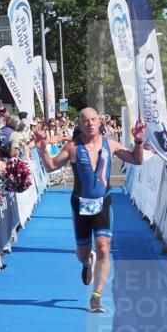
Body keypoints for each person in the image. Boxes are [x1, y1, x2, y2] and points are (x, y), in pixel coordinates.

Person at [32, 108, 146, 313]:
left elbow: (137, 160)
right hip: (80, 204)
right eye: (85, 121)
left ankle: (97, 296)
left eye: (93, 119)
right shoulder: (73, 147)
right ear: (79, 124)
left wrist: (138, 142)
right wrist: (42, 149)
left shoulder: (110, 144)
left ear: (99, 121)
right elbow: (50, 167)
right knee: (82, 252)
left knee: (104, 246)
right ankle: (87, 261)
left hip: (103, 203)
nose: (90, 123)